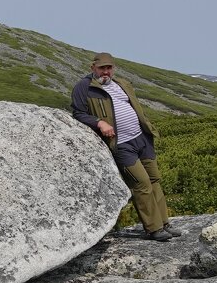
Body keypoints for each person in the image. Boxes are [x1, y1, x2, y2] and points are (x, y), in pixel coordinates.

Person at [71, 52, 181, 241]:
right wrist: (99, 123)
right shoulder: (84, 87)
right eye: (101, 68)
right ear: (93, 68)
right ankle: (153, 229)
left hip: (142, 139)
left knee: (154, 180)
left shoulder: (122, 83)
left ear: (113, 68)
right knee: (141, 183)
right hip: (121, 144)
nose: (105, 72)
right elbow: (79, 113)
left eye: (109, 68)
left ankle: (165, 223)